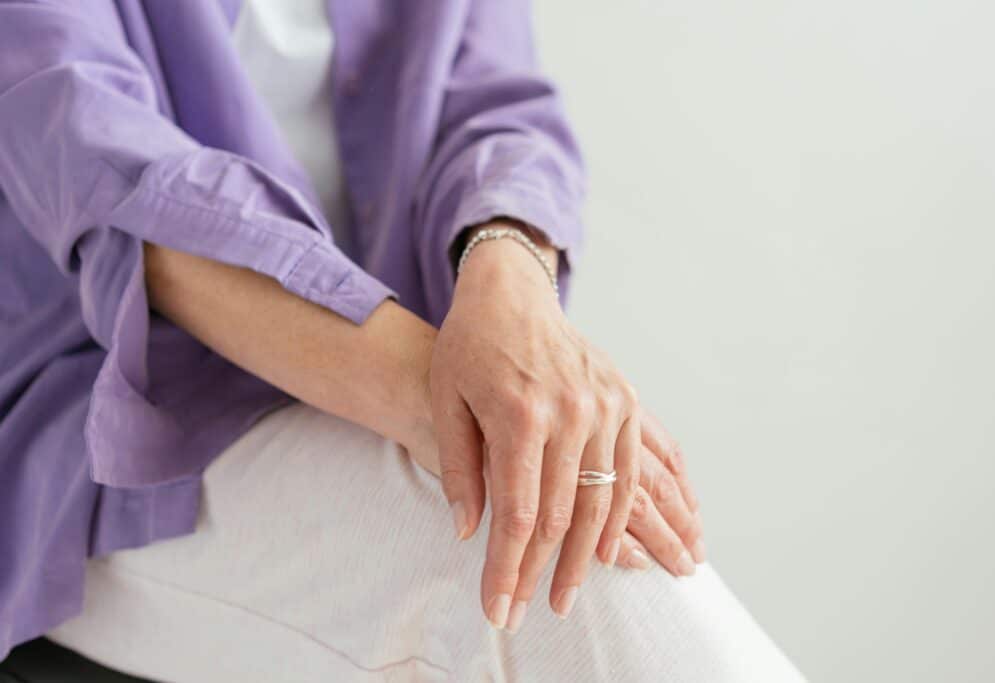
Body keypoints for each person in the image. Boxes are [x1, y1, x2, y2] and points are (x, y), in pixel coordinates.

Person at [0, 0, 805, 680]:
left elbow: (495, 101)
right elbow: (107, 172)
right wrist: (459, 405)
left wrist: (507, 272)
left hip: (402, 358)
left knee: (595, 544)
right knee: (578, 583)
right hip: (108, 419)